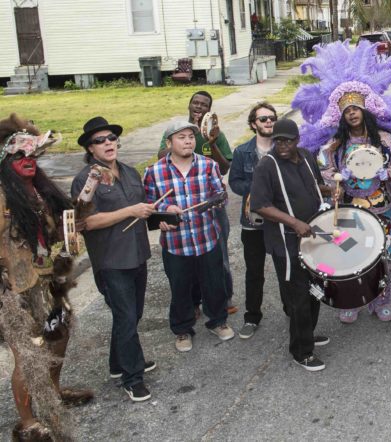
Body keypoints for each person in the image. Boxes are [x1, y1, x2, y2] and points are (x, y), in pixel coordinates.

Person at [291, 40, 391, 324]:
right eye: (346, 109)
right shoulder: (334, 145)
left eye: (356, 108)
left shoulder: (386, 141)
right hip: (349, 209)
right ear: (340, 115)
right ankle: (352, 300)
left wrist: (389, 173)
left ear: (365, 110)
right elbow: (325, 173)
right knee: (349, 253)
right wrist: (338, 181)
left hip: (380, 207)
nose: (351, 112)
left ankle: (381, 299)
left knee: (384, 254)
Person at [0, 114, 93, 441]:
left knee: (59, 335)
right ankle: (27, 422)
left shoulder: (40, 192)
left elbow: (55, 236)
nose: (27, 162)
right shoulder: (1, 197)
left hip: (44, 282)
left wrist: (73, 223)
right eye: (19, 156)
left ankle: (53, 391)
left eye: (32, 156)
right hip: (12, 291)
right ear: (6, 161)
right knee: (28, 358)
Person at [71, 117, 156, 402]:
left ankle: (118, 365)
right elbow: (87, 222)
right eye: (100, 141)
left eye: (111, 138)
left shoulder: (131, 172)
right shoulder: (87, 180)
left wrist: (160, 217)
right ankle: (133, 378)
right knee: (126, 317)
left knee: (132, 315)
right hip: (111, 261)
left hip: (138, 254)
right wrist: (130, 211)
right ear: (90, 149)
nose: (108, 143)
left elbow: (144, 209)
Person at [143, 120, 234, 352]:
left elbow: (221, 196)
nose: (187, 141)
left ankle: (218, 321)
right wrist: (162, 215)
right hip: (176, 244)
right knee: (180, 288)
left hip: (207, 237)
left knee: (214, 284)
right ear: (169, 142)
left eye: (191, 137)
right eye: (181, 137)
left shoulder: (208, 165)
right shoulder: (154, 172)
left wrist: (215, 202)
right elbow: (149, 209)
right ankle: (182, 330)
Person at [249, 119, 332, 371]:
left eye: (288, 140)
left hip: (314, 233)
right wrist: (294, 222)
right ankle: (301, 351)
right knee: (298, 296)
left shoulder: (306, 156)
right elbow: (260, 205)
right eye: (278, 140)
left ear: (298, 140)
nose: (283, 145)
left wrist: (330, 190)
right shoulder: (267, 166)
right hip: (287, 240)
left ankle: (307, 333)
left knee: (317, 287)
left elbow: (313, 187)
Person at [158, 91, 237, 315]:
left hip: (211, 202)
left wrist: (211, 142)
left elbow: (224, 168)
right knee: (186, 256)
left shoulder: (215, 132)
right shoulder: (175, 130)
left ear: (209, 109)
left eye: (204, 104)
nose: (199, 107)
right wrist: (184, 137)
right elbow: (160, 157)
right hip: (182, 201)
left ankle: (224, 297)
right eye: (196, 103)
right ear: (189, 104)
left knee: (218, 251)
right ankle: (192, 303)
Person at [229, 102, 277, 339]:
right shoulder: (242, 152)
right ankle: (252, 316)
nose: (269, 122)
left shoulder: (285, 147)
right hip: (253, 221)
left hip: (281, 220)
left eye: (271, 118)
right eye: (263, 119)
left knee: (286, 267)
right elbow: (235, 182)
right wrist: (257, 188)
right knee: (254, 271)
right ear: (253, 124)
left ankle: (293, 310)